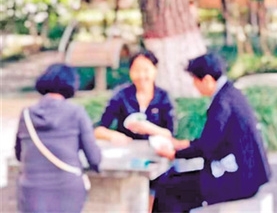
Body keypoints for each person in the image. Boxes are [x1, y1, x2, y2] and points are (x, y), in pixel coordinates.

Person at [151, 53, 271, 213]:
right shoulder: (231, 93)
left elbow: (207, 147)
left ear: (207, 80)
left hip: (238, 180)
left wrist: (175, 154)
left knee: (167, 188)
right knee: (171, 182)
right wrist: (184, 144)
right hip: (247, 174)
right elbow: (215, 139)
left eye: (195, 80)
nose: (194, 86)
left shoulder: (222, 103)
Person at [15, 63, 101, 213]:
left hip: (32, 192)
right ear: (71, 83)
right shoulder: (76, 112)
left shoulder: (27, 114)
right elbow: (94, 158)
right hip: (67, 190)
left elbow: (19, 154)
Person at [94, 49, 175, 144]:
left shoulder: (164, 97)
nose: (141, 75)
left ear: (155, 70)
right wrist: (112, 135)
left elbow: (170, 134)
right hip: (126, 148)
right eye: (136, 70)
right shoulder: (121, 95)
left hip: (157, 149)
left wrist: (149, 128)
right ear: (130, 71)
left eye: (146, 70)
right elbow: (99, 129)